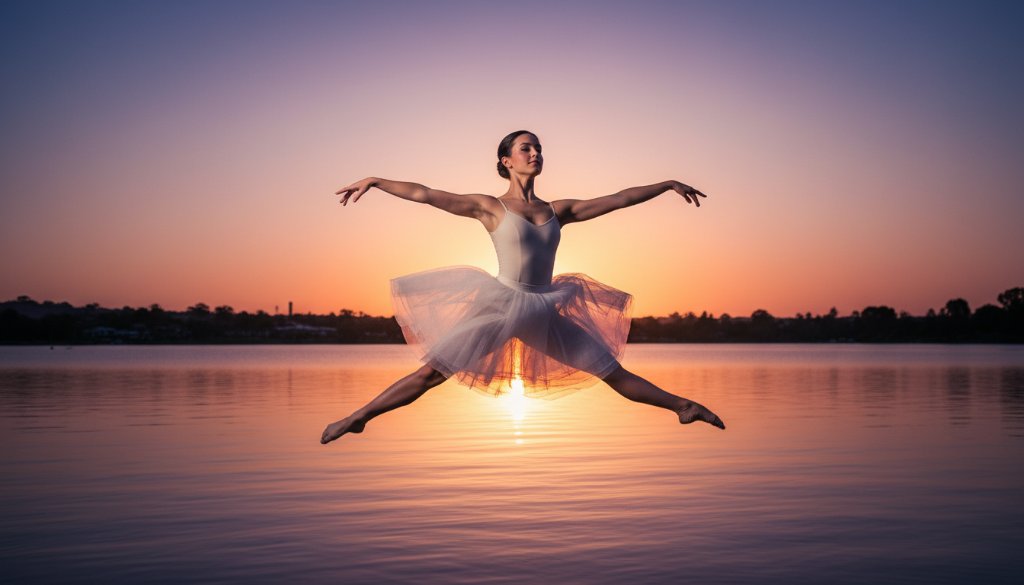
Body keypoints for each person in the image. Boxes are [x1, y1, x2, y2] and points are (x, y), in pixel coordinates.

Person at [321, 130, 724, 444]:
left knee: (612, 373)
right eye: (526, 148)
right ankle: (358, 417)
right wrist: (374, 181)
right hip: (499, 305)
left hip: (544, 311)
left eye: (539, 148)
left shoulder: (557, 211)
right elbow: (427, 195)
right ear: (506, 160)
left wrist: (667, 184)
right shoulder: (489, 206)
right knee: (431, 375)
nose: (535, 154)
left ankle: (684, 407)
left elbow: (618, 199)